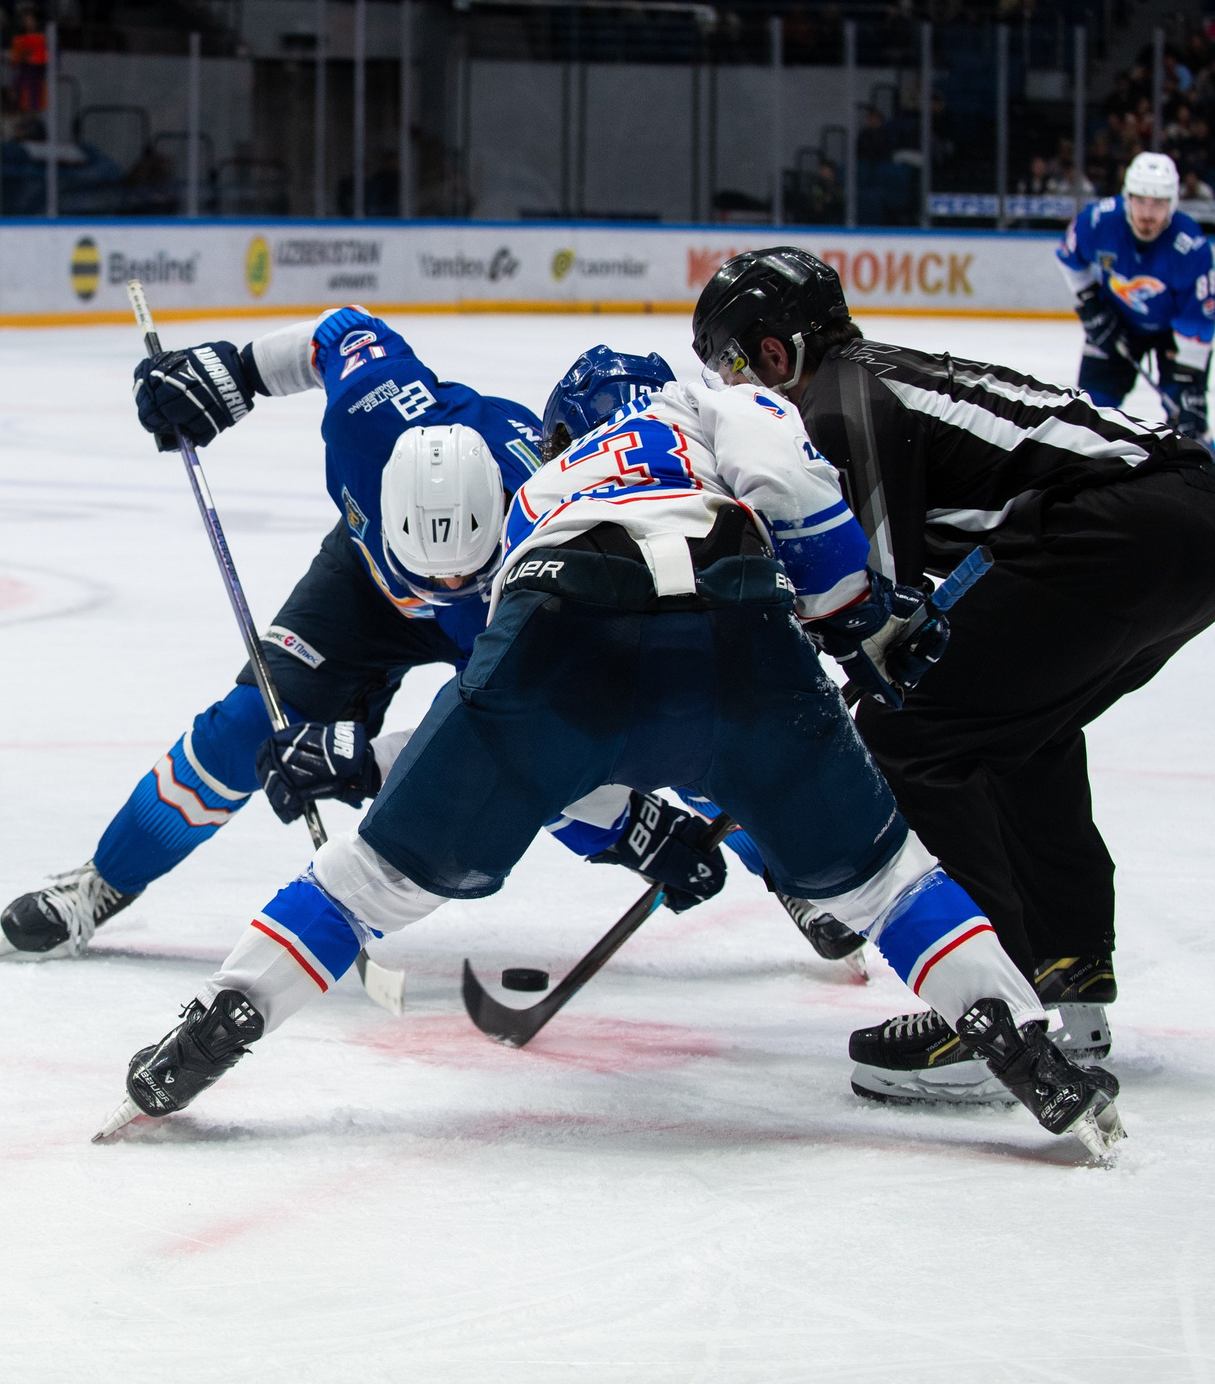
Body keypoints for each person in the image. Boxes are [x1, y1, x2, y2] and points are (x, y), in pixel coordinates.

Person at [103, 334, 1125, 1158]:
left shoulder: (539, 492)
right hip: (738, 637)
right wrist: (862, 616)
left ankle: (219, 1019)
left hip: (558, 634)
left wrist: (605, 818)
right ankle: (1022, 1042)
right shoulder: (705, 407)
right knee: (889, 885)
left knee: (362, 884)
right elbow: (793, 490)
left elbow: (527, 739)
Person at [692, 246, 1215, 1102]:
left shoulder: (842, 403)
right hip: (1191, 523)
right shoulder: (870, 378)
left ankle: (986, 1006)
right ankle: (1067, 967)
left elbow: (873, 610)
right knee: (1011, 720)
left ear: (776, 353)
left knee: (910, 723)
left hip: (1134, 524)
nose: (738, 389)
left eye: (734, 364)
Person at [0, 308, 575, 957]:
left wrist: (360, 762)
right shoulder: (370, 414)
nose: (433, 591)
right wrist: (237, 372)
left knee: (521, 783)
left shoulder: (550, 551)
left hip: (494, 620)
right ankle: (102, 883)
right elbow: (341, 331)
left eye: (457, 575)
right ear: (383, 497)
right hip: (363, 583)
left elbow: (523, 733)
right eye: (422, 572)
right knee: (245, 728)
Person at [1056, 151, 1215, 440]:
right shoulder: (1099, 220)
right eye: (1140, 200)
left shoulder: (1189, 246)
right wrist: (1091, 304)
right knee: (1088, 417)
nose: (1146, 214)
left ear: (1172, 204)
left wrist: (1192, 385)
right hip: (1116, 319)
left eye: (1157, 203)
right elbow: (1069, 258)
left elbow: (1198, 321)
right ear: (1126, 196)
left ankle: (1207, 484)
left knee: (1190, 430)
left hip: (1173, 334)